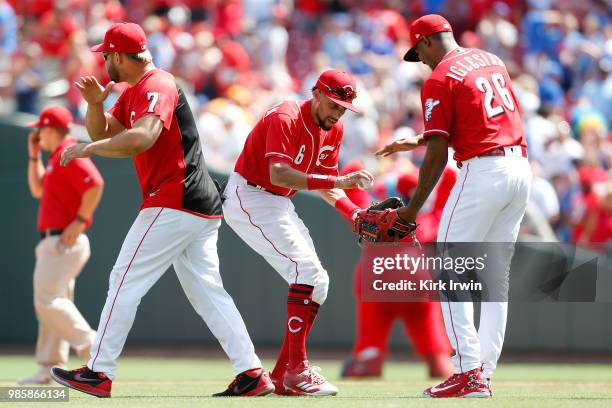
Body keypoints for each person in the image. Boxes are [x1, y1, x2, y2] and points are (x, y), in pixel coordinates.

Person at [49, 22, 272, 398]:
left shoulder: (157, 84)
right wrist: (94, 104)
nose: (104, 61)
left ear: (120, 56)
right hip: (194, 203)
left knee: (124, 279)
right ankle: (251, 372)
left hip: (176, 198)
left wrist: (88, 150)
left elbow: (142, 137)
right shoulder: (135, 89)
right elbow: (104, 132)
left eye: (106, 55)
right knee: (208, 293)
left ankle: (98, 372)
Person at [369, 14, 531, 398]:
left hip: (482, 172)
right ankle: (482, 373)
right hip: (519, 168)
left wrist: (410, 213)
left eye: (418, 52)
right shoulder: (490, 59)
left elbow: (441, 155)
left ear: (426, 41)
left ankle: (466, 370)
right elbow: (480, 120)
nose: (420, 60)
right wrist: (420, 140)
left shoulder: (439, 77)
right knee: (494, 279)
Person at [222, 69, 374, 396]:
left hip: (278, 203)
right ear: (316, 93)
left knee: (318, 282)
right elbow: (279, 174)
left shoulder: (333, 129)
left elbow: (327, 180)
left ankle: (282, 375)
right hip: (250, 195)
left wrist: (355, 213)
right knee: (305, 273)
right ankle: (297, 370)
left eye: (343, 107)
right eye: (333, 104)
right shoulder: (286, 116)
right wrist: (337, 182)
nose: (337, 112)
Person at [340, 162, 454, 379]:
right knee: (439, 361)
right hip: (417, 289)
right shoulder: (426, 220)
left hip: (376, 287)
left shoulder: (369, 220)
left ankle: (367, 359)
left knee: (369, 356)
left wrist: (375, 168)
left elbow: (349, 181)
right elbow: (449, 177)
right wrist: (416, 170)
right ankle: (438, 360)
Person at [20, 106, 103, 385]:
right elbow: (37, 189)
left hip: (63, 242)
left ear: (50, 129)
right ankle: (49, 368)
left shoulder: (68, 151)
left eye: (39, 130)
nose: (37, 135)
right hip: (54, 242)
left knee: (47, 301)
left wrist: (80, 219)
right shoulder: (56, 157)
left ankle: (92, 346)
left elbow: (95, 184)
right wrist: (34, 155)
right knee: (54, 304)